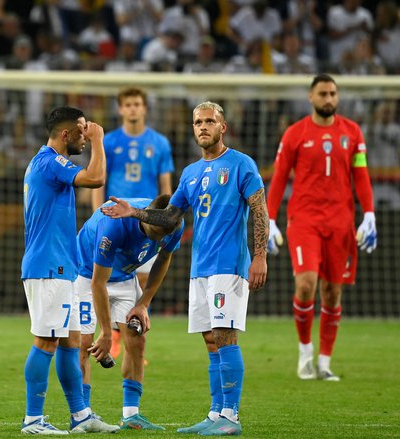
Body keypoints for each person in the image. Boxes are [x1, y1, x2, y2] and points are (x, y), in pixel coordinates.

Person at [102, 101, 269, 436]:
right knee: (210, 339)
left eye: (209, 121)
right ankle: (215, 413)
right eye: (197, 122)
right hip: (200, 267)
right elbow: (170, 218)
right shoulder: (191, 174)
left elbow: (259, 209)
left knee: (225, 336)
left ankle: (231, 417)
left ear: (223, 127)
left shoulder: (240, 164)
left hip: (228, 266)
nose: (203, 127)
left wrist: (260, 255)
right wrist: (133, 213)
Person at [266, 74, 377, 382]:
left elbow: (362, 177)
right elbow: (279, 178)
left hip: (341, 222)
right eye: (323, 94)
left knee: (332, 292)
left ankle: (325, 362)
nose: (329, 99)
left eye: (333, 94)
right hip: (304, 220)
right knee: (306, 285)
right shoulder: (295, 133)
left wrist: (369, 214)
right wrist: (269, 218)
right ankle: (305, 354)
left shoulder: (352, 132)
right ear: (310, 97)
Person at [20, 106, 119, 435]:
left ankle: (80, 416)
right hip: (48, 266)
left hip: (60, 265)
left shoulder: (45, 163)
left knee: (70, 341)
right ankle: (33, 420)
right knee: (46, 340)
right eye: (81, 130)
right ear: (66, 134)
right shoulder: (51, 162)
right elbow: (96, 178)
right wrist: (99, 142)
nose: (86, 134)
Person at [78, 195, 184, 430]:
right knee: (84, 342)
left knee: (138, 338)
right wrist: (106, 332)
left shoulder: (173, 222)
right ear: (143, 214)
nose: (155, 239)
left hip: (125, 277)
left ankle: (131, 415)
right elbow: (98, 283)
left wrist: (144, 303)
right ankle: (82, 414)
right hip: (86, 273)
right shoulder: (113, 224)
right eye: (152, 232)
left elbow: (163, 259)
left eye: (161, 236)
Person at [92, 86, 175, 358]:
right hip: (116, 220)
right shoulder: (111, 142)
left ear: (144, 108)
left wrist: (167, 215)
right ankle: (114, 337)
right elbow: (99, 182)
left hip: (146, 223)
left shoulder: (160, 143)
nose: (132, 109)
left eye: (137, 104)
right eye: (127, 104)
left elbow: (165, 186)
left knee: (139, 281)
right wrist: (98, 214)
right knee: (107, 277)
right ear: (120, 109)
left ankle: (128, 335)